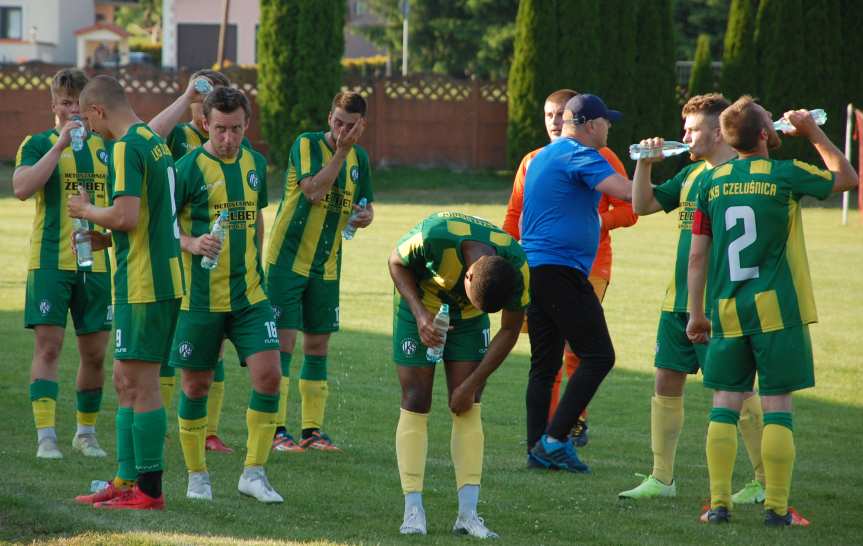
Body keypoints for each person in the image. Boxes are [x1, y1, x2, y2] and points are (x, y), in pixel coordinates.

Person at [686, 97, 856, 526]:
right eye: (770, 120)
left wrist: (695, 313)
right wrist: (812, 131)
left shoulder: (712, 182)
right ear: (765, 134)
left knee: (725, 402)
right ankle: (777, 509)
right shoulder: (785, 174)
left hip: (725, 309)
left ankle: (718, 505)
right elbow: (848, 178)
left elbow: (697, 256)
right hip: (778, 311)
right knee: (777, 404)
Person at [619, 94, 766, 502]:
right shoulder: (691, 175)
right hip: (676, 301)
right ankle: (662, 478)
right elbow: (641, 204)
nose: (683, 136)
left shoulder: (742, 175)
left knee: (737, 390)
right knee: (665, 379)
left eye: (692, 129)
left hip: (721, 304)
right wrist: (644, 163)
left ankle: (762, 481)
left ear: (718, 131)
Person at [68, 75, 185, 510]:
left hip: (147, 282)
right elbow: (144, 218)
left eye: (87, 119)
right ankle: (125, 478)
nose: (90, 129)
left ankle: (149, 491)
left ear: (98, 111)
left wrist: (86, 211)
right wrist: (105, 239)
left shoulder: (124, 147)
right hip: (147, 275)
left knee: (143, 382)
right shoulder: (151, 140)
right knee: (124, 379)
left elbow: (127, 215)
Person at [503, 88, 636, 446]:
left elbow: (626, 210)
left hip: (548, 268)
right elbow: (631, 195)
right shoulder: (578, 154)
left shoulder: (546, 157)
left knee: (548, 364)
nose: (609, 129)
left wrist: (594, 223)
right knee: (598, 355)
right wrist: (654, 165)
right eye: (606, 122)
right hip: (561, 269)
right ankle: (555, 437)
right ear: (591, 124)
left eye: (559, 114)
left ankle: (539, 445)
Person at [170, 87, 282, 503]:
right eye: (220, 129)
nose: (228, 138)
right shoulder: (187, 168)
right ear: (205, 124)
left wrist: (261, 271)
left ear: (246, 125)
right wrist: (191, 243)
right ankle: (197, 476)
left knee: (270, 375)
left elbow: (255, 221)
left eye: (236, 129)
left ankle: (254, 472)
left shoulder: (254, 162)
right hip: (199, 300)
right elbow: (161, 227)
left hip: (250, 295)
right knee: (196, 386)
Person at [388, 212, 528, 538]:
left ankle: (468, 515)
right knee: (415, 399)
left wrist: (471, 384)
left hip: (467, 322)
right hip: (422, 303)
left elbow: (509, 330)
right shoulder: (433, 235)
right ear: (466, 278)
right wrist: (420, 314)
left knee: (467, 404)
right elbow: (396, 261)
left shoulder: (517, 265)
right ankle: (413, 510)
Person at [265, 91, 374, 452]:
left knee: (317, 345)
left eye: (350, 125)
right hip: (288, 260)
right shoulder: (307, 144)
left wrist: (365, 216)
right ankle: (276, 429)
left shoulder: (361, 160)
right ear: (330, 117)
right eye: (338, 121)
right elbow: (312, 191)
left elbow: (365, 205)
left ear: (362, 126)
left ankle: (312, 432)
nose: (342, 130)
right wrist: (341, 152)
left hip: (326, 265)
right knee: (284, 343)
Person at [12, 68, 112, 460]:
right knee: (49, 347)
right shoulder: (37, 144)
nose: (73, 110)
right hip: (51, 262)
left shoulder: (105, 146)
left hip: (97, 265)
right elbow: (21, 188)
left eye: (78, 103)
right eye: (65, 102)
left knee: (95, 353)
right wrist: (59, 147)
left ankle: (85, 433)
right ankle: (46, 435)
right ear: (53, 105)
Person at [148, 69, 240, 454]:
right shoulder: (181, 138)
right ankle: (168, 425)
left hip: (219, 265)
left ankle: (209, 430)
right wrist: (186, 97)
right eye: (203, 95)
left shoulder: (235, 150)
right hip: (174, 256)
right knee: (173, 347)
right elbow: (148, 135)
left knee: (213, 348)